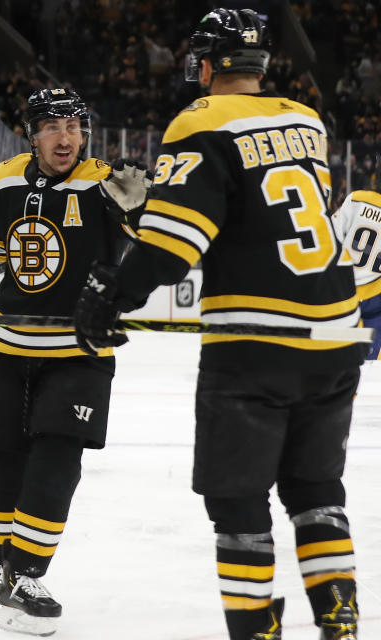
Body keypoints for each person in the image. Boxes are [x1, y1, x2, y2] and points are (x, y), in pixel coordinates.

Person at [73, 9, 362, 640]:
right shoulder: (306, 120)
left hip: (257, 344)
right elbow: (265, 207)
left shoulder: (201, 120)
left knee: (237, 501)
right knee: (316, 492)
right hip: (338, 336)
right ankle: (341, 619)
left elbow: (177, 245)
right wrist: (157, 199)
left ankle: (257, 629)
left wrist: (109, 294)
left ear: (206, 65)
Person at [0, 87, 147, 636]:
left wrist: (142, 208)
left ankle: (30, 573)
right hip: (9, 349)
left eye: (75, 127)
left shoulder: (107, 181)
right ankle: (1, 567)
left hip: (79, 352)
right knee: (2, 458)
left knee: (57, 455)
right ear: (32, 134)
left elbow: (149, 241)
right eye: (53, 127)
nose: (66, 138)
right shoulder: (6, 178)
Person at [334, 189, 381, 361]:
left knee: (336, 353)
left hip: (343, 290)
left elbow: (331, 237)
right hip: (375, 297)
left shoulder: (357, 198)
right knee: (371, 361)